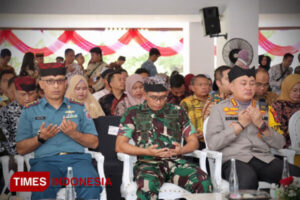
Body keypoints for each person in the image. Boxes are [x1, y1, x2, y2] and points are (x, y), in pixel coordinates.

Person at [115, 75, 212, 200]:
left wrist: (181, 150)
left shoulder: (178, 111)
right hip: (148, 164)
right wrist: (146, 152)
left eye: (163, 97)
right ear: (145, 94)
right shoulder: (132, 113)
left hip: (176, 163)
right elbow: (120, 145)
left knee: (202, 181)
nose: (159, 101)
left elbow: (193, 142)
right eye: (154, 97)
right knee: (146, 187)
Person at [16, 63, 101, 199]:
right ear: (41, 84)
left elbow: (94, 143)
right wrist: (40, 138)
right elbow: (20, 149)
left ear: (66, 83)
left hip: (78, 160)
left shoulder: (79, 107)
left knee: (91, 186)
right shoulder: (30, 110)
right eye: (50, 81)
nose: (56, 86)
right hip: (45, 162)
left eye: (60, 81)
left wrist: (74, 134)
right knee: (41, 188)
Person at [206, 66, 300, 190]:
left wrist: (262, 126)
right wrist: (239, 126)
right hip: (234, 160)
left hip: (263, 158)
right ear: (232, 87)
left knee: (296, 175)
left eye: (252, 83)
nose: (248, 87)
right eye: (243, 83)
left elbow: (280, 143)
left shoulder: (263, 109)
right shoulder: (219, 109)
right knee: (248, 179)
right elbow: (212, 143)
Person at [0, 76, 37, 155]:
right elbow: (12, 144)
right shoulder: (6, 112)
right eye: (23, 94)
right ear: (15, 93)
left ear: (36, 92)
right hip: (14, 157)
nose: (27, 98)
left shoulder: (43, 108)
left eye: (31, 94)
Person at [180, 74, 210, 149]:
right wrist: (191, 134)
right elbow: (180, 123)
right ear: (192, 88)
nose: (204, 87)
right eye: (200, 85)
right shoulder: (186, 103)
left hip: (213, 140)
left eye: (206, 84)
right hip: (194, 140)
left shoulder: (215, 101)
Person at [271, 74, 300, 147]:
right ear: (287, 89)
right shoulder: (278, 106)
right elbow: (274, 132)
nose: (298, 93)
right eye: (294, 90)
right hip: (285, 147)